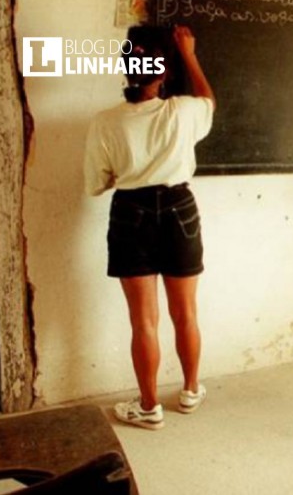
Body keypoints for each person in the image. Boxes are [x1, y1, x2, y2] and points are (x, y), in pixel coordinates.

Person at [84, 24, 215, 430]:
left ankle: (148, 406)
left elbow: (96, 183)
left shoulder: (105, 122)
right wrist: (189, 54)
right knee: (186, 313)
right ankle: (191, 391)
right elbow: (209, 99)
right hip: (179, 208)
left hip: (131, 212)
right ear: (162, 75)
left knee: (143, 321)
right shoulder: (183, 110)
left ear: (128, 72)